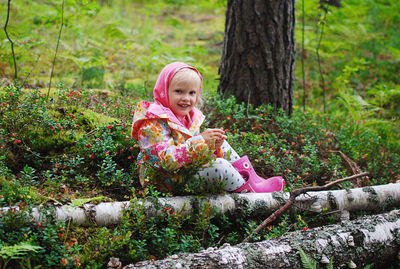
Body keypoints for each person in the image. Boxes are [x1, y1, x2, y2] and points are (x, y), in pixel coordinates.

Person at [131, 62, 285, 193]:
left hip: (184, 174)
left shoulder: (188, 117)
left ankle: (253, 181)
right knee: (219, 166)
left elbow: (193, 157)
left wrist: (212, 148)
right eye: (179, 91)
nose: (186, 98)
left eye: (192, 93)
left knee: (221, 144)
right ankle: (249, 194)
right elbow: (167, 161)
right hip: (164, 183)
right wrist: (200, 141)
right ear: (164, 91)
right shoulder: (153, 122)